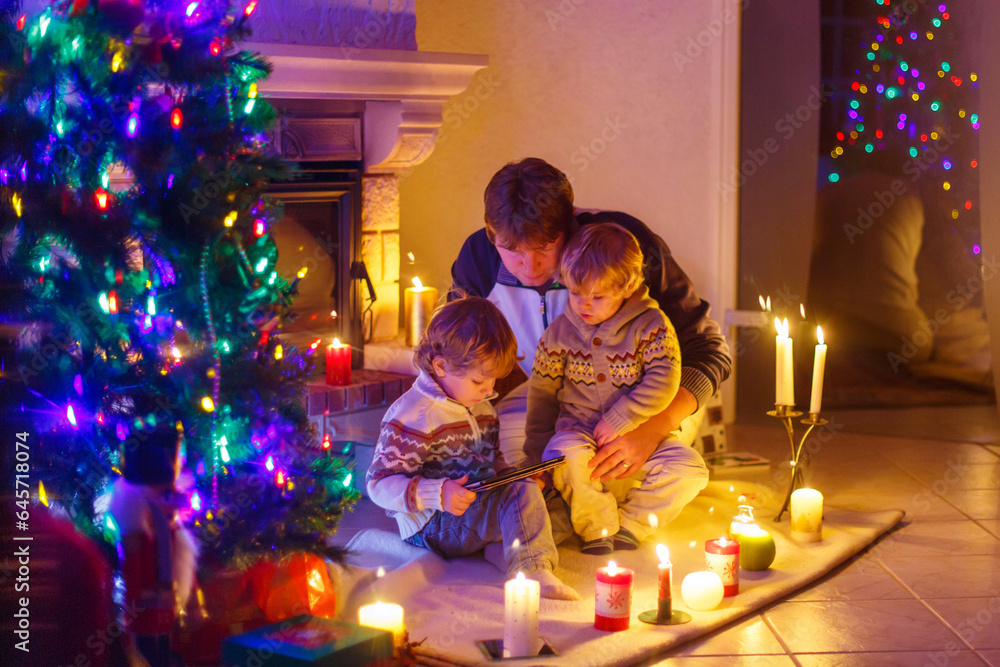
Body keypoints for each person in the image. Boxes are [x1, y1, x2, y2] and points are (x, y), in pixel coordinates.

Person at [450, 158, 731, 534]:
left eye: (545, 248)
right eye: (513, 251)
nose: (529, 266)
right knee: (512, 472)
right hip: (557, 401)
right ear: (491, 233)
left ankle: (615, 518)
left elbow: (710, 350)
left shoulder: (621, 245)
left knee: (658, 471)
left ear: (570, 227)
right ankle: (579, 509)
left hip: (650, 395)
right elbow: (455, 354)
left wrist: (652, 429)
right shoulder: (478, 259)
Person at [365, 297, 579, 600]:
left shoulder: (482, 408)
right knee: (524, 500)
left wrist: (515, 477)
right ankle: (531, 570)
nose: (489, 390)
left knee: (556, 504)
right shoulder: (414, 416)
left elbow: (494, 461)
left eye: (492, 381)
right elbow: (379, 484)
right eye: (480, 380)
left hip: (475, 507)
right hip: (433, 525)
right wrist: (438, 493)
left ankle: (502, 548)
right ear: (441, 366)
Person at [525, 223, 688, 553]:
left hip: (638, 436)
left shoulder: (652, 326)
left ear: (627, 288)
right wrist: (533, 460)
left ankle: (631, 524)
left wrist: (621, 419)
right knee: (565, 455)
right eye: (575, 294)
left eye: (597, 297)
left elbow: (665, 379)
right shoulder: (558, 334)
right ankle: (596, 527)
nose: (584, 305)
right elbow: (542, 396)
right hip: (579, 435)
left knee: (690, 471)